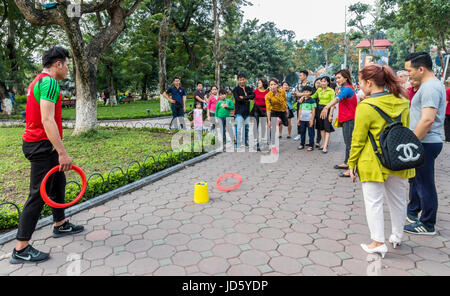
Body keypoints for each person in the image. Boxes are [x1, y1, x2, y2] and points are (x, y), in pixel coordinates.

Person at [10, 46, 84, 264]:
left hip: (41, 143)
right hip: (41, 145)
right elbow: (47, 119)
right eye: (67, 65)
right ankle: (21, 248)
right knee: (38, 194)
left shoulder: (37, 81)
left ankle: (60, 224)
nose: (68, 70)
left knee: (58, 181)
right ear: (58, 64)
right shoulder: (50, 82)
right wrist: (62, 152)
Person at [348, 64, 415, 258]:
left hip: (372, 161)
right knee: (398, 200)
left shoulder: (365, 107)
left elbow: (358, 139)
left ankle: (377, 242)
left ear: (369, 83)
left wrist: (351, 163)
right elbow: (405, 128)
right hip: (398, 157)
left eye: (360, 82)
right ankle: (397, 235)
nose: (360, 85)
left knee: (373, 202)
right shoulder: (403, 101)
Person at [404, 51, 446, 235]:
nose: (408, 75)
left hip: (425, 142)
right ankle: (415, 213)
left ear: (421, 69)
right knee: (418, 181)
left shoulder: (430, 88)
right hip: (425, 142)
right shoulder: (431, 85)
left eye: (409, 70)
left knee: (424, 183)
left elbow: (427, 120)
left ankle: (427, 223)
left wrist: (410, 143)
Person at [320, 70, 357, 178]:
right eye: (336, 78)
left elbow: (337, 99)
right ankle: (346, 163)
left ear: (346, 78)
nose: (337, 80)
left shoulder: (347, 89)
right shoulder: (344, 88)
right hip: (347, 119)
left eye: (339, 78)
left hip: (350, 119)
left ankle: (351, 168)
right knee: (348, 142)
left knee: (350, 143)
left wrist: (326, 107)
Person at [312, 76, 335, 154]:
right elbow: (312, 97)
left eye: (324, 81)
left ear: (328, 82)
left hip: (327, 109)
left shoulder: (331, 91)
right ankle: (323, 144)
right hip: (319, 109)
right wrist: (304, 97)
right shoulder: (319, 90)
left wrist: (330, 115)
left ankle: (325, 146)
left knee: (327, 128)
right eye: (321, 81)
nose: (322, 83)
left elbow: (333, 103)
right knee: (321, 128)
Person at [265, 78, 289, 150]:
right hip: (274, 111)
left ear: (277, 85)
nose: (273, 86)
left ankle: (280, 121)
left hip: (282, 111)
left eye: (274, 84)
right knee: (272, 128)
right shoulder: (268, 96)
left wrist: (286, 109)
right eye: (271, 85)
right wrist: (268, 120)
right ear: (269, 86)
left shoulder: (282, 91)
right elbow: (268, 109)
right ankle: (273, 145)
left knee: (286, 124)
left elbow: (285, 100)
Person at [232, 73, 255, 148]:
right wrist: (247, 98)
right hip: (239, 112)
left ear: (245, 79)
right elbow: (238, 99)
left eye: (243, 79)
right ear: (238, 80)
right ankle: (238, 143)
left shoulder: (249, 88)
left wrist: (244, 97)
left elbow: (253, 96)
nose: (242, 81)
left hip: (247, 111)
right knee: (238, 128)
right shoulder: (235, 89)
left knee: (246, 128)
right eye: (240, 80)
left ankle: (245, 142)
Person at [294, 70, 313, 141]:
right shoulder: (298, 84)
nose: (299, 77)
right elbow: (296, 93)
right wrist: (305, 94)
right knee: (299, 118)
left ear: (305, 76)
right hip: (300, 103)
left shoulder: (310, 84)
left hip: (309, 104)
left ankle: (310, 135)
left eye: (301, 75)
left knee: (309, 118)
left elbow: (311, 93)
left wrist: (301, 94)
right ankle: (299, 134)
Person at [297, 86, 316, 151]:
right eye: (304, 92)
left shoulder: (312, 100)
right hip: (302, 120)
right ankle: (302, 144)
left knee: (310, 133)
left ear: (310, 92)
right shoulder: (302, 101)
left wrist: (312, 120)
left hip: (309, 120)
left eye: (307, 92)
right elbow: (300, 110)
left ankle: (311, 145)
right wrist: (298, 119)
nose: (305, 93)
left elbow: (313, 111)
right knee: (302, 132)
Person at [252, 78, 269, 151]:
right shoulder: (255, 91)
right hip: (256, 110)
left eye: (259, 83)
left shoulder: (268, 92)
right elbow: (253, 99)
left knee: (263, 126)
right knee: (256, 125)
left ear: (263, 83)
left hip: (264, 111)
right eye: (258, 83)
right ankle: (256, 142)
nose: (258, 84)